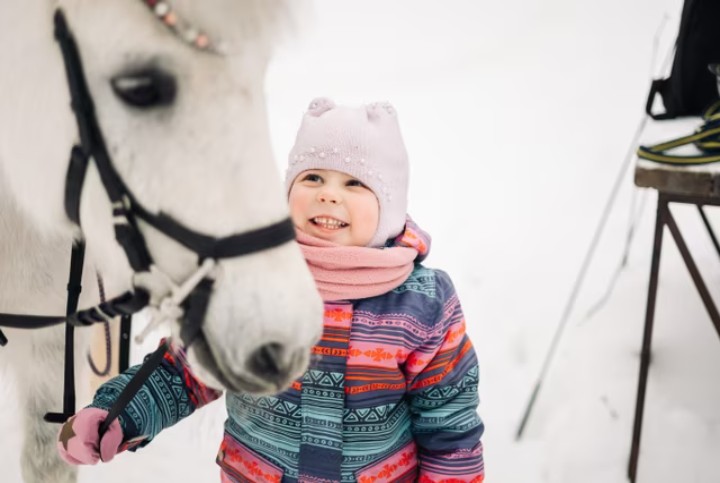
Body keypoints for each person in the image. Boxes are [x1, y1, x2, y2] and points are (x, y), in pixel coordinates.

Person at [57, 97, 485, 482]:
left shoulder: (423, 304)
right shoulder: (249, 281)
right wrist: (119, 414)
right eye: (313, 178)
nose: (328, 196)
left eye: (355, 183)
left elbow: (449, 429)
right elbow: (187, 370)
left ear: (389, 205)